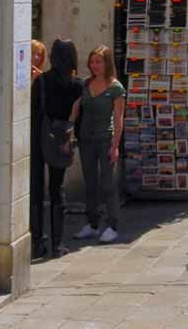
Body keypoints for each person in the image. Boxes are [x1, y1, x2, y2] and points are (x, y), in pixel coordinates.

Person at [30, 38, 82, 258]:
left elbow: (33, 110)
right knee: (57, 190)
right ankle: (57, 244)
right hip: (62, 139)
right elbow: (80, 117)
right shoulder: (78, 85)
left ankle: (38, 242)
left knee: (37, 190)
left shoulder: (41, 81)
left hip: (39, 137)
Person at [71, 45, 125, 244]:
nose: (94, 65)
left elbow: (119, 118)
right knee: (90, 183)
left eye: (98, 61)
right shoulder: (85, 84)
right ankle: (92, 224)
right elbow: (76, 108)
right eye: (92, 62)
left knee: (108, 183)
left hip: (106, 140)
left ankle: (112, 225)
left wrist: (115, 145)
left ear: (107, 63)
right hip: (86, 140)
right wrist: (69, 129)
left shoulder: (116, 88)